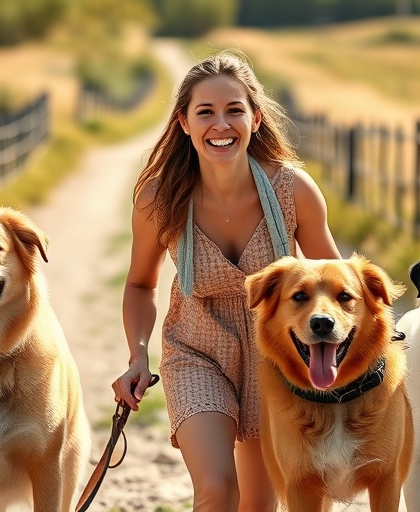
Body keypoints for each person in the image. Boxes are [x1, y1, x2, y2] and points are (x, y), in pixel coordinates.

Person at [111, 49, 342, 511]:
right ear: (184, 123)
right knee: (217, 490)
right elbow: (140, 284)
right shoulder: (159, 199)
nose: (221, 125)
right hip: (196, 353)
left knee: (259, 505)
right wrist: (138, 355)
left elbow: (338, 284)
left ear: (256, 119)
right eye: (206, 113)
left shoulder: (293, 190)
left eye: (234, 110)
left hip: (277, 362)